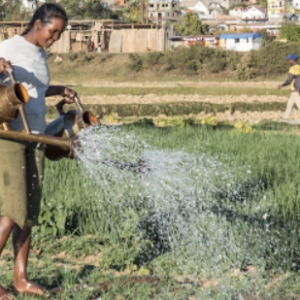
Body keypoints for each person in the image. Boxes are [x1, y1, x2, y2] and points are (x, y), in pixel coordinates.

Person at [0, 3, 76, 299]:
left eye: (59, 33)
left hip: (36, 136)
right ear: (37, 24)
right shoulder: (9, 47)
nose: (55, 37)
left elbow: (33, 90)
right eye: (53, 31)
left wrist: (57, 89)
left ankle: (21, 278)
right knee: (10, 211)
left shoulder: (40, 54)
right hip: (10, 136)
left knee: (29, 212)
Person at [278, 53, 300, 119]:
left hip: (294, 89)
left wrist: (282, 85)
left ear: (293, 60)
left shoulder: (292, 68)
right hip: (298, 88)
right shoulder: (299, 67)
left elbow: (289, 80)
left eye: (289, 60)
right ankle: (285, 118)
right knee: (289, 105)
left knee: (299, 104)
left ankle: (285, 118)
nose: (288, 61)